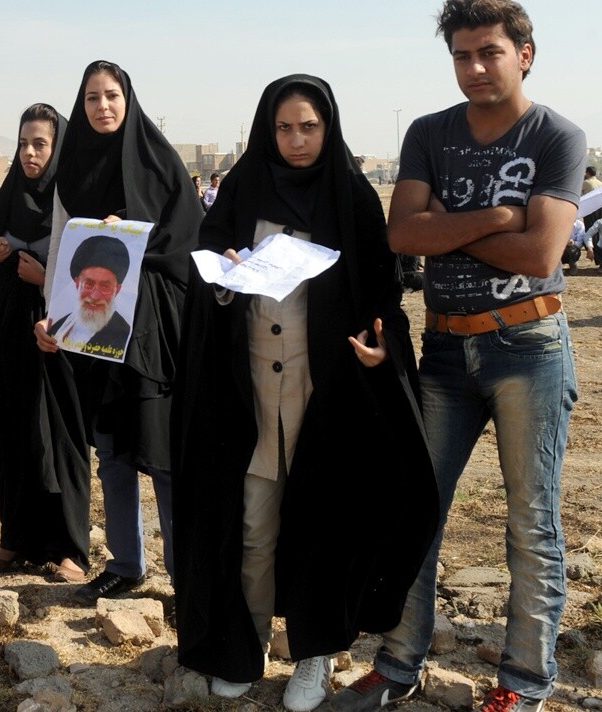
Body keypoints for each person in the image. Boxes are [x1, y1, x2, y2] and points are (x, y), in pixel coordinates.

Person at [336, 0, 583, 712]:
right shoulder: (429, 134)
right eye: (461, 56)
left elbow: (540, 254)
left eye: (489, 53)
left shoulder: (556, 137)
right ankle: (398, 664)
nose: (475, 68)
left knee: (530, 523)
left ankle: (523, 683)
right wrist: (501, 215)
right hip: (445, 349)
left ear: (524, 56)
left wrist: (451, 224)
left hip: (527, 346)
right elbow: (402, 235)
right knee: (416, 509)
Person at [173, 76, 437, 709]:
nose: (296, 140)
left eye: (309, 127)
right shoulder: (241, 190)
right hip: (251, 400)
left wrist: (382, 347)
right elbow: (206, 278)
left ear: (328, 128)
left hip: (326, 399)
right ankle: (246, 645)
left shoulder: (351, 197)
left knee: (322, 528)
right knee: (253, 528)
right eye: (284, 128)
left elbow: (382, 293)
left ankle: (314, 656)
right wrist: (225, 280)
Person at [36, 60, 203, 603]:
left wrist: (133, 235)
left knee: (163, 455)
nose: (102, 106)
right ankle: (126, 563)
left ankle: (183, 576)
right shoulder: (72, 169)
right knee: (111, 452)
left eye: (111, 95)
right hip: (94, 330)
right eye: (91, 97)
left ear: (128, 100)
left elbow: (188, 243)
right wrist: (52, 316)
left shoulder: (160, 162)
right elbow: (61, 246)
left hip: (154, 331)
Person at [0, 103, 90, 584]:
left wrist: (46, 279)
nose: (29, 153)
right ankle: (15, 538)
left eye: (40, 144)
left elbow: (93, 276)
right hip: (8, 330)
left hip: (56, 330)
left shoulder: (72, 201)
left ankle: (69, 547)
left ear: (57, 147)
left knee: (57, 434)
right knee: (12, 431)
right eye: (24, 143)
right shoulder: (10, 196)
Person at [50, 235, 134, 357]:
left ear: (117, 290)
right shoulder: (60, 325)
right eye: (88, 284)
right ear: (77, 284)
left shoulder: (124, 337)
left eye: (105, 286)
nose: (95, 296)